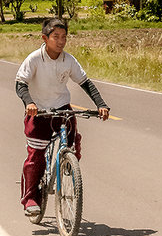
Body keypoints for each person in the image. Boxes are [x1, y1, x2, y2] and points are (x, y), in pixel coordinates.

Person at [15, 17, 110, 217]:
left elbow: (85, 83)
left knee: (74, 141)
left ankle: (68, 165)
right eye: (55, 37)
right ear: (45, 38)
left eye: (64, 37)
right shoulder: (34, 59)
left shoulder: (69, 60)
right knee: (36, 157)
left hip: (61, 109)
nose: (60, 41)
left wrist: (100, 104)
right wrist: (29, 103)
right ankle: (31, 198)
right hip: (39, 112)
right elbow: (20, 84)